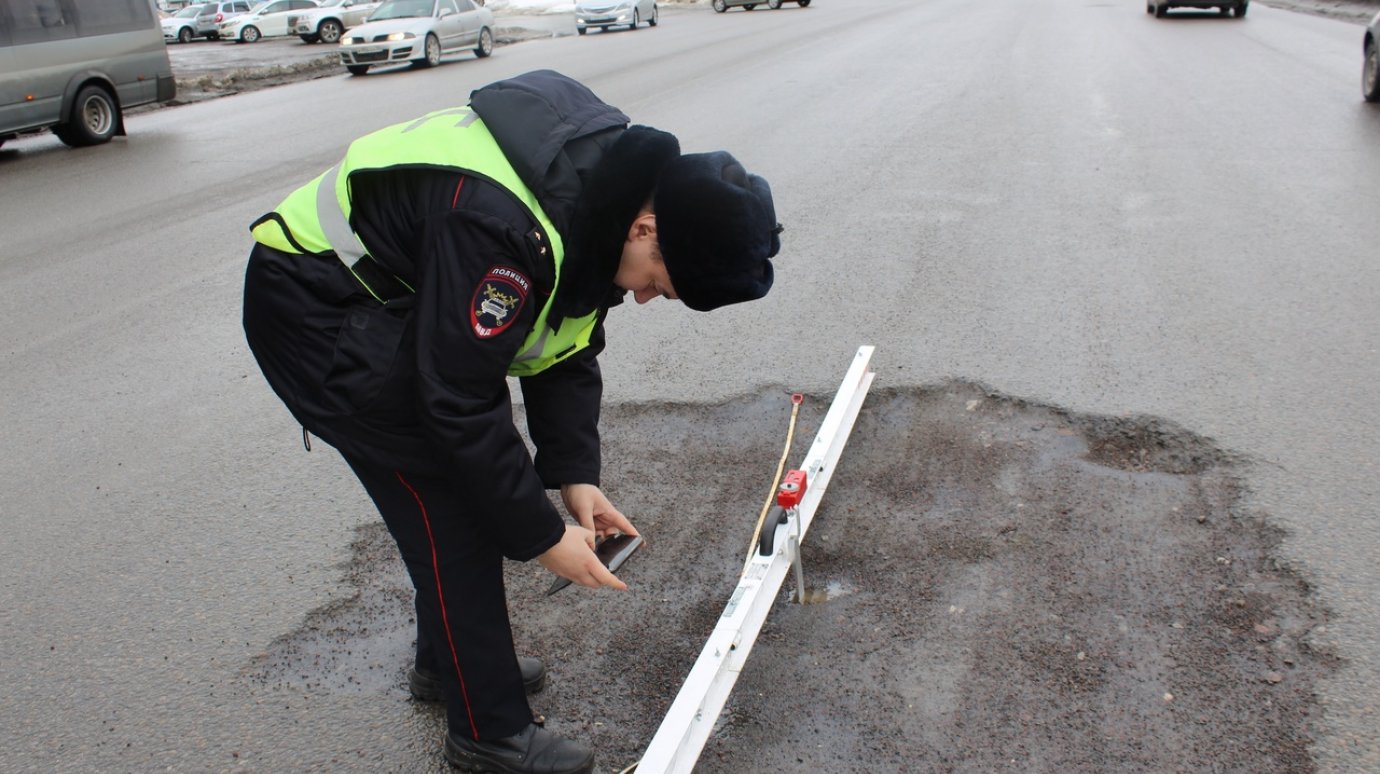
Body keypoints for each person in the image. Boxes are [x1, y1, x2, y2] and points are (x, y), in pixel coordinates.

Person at [240, 69, 780, 774]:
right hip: (318, 309)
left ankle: (450, 664)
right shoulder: (504, 228)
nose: (645, 299)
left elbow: (569, 334)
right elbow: (457, 401)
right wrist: (543, 535)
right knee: (454, 511)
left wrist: (573, 475)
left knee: (467, 499)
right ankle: (488, 734)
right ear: (647, 228)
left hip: (390, 305)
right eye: (657, 282)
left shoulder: (605, 199)